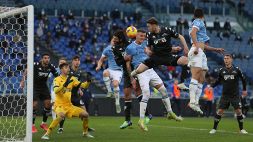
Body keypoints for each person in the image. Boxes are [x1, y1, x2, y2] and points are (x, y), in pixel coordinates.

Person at [125, 29, 182, 131]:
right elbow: (127, 62)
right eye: (141, 36)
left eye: (144, 36)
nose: (143, 37)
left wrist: (173, 49)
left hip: (150, 69)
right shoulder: (130, 47)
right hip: (140, 70)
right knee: (146, 93)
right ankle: (141, 121)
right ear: (136, 36)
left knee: (164, 90)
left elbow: (159, 50)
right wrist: (132, 77)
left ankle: (170, 112)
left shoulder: (147, 43)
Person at [108, 30, 152, 129]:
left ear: (120, 38)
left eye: (115, 38)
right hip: (126, 72)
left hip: (136, 69)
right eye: (113, 38)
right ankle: (127, 120)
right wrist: (125, 58)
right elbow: (119, 62)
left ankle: (147, 114)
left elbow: (137, 53)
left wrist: (130, 58)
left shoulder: (130, 44)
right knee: (127, 94)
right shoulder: (114, 48)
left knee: (137, 92)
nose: (114, 39)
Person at [131, 17, 189, 90]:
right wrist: (148, 51)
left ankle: (181, 83)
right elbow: (149, 48)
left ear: (154, 25)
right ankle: (131, 77)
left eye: (149, 26)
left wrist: (186, 47)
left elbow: (180, 36)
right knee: (138, 71)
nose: (148, 28)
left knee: (186, 61)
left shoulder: (167, 30)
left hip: (168, 57)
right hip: (156, 58)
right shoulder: (149, 35)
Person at [41, 63, 94, 140]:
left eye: (68, 68)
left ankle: (85, 133)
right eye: (66, 67)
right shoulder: (57, 79)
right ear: (61, 69)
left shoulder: (72, 78)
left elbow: (83, 86)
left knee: (85, 114)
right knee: (61, 115)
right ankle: (47, 134)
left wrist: (89, 81)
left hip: (69, 105)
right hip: (59, 105)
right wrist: (64, 85)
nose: (68, 69)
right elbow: (56, 91)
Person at [188, 8, 224, 114]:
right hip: (197, 50)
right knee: (196, 75)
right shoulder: (198, 22)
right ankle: (192, 101)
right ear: (203, 16)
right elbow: (192, 33)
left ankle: (195, 103)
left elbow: (203, 44)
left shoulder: (198, 22)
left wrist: (215, 49)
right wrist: (195, 46)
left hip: (201, 52)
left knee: (202, 79)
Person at [209, 54, 248, 134]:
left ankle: (241, 129)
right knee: (219, 111)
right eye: (224, 58)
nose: (226, 60)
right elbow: (218, 81)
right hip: (225, 95)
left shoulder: (237, 70)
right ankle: (214, 128)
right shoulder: (221, 70)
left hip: (235, 95)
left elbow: (243, 80)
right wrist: (211, 86)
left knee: (238, 112)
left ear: (231, 60)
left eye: (227, 58)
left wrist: (244, 90)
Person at [20, 53, 58, 133]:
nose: (47, 59)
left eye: (48, 58)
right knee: (34, 105)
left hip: (44, 87)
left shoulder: (51, 66)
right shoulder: (36, 65)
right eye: (45, 58)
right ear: (42, 59)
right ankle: (32, 125)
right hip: (34, 86)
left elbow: (57, 76)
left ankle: (43, 123)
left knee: (48, 104)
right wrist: (23, 81)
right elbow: (27, 70)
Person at [59, 55, 95, 133]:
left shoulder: (79, 72)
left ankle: (86, 128)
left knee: (85, 112)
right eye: (75, 60)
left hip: (75, 95)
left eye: (78, 60)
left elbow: (77, 83)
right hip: (67, 95)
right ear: (72, 61)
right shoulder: (68, 70)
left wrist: (80, 89)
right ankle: (60, 127)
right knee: (63, 113)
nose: (77, 62)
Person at [96, 38, 123, 114]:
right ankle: (109, 91)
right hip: (110, 69)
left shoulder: (120, 49)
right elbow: (101, 60)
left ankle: (117, 102)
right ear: (110, 41)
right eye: (113, 41)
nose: (114, 42)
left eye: (115, 41)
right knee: (105, 72)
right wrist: (98, 66)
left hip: (118, 71)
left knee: (115, 84)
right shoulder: (107, 49)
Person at [48, 58, 67, 130]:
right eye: (61, 62)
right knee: (54, 106)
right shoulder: (54, 70)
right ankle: (54, 121)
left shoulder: (67, 71)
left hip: (63, 92)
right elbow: (49, 80)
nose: (62, 64)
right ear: (58, 63)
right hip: (54, 91)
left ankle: (61, 126)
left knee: (62, 108)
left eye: (63, 63)